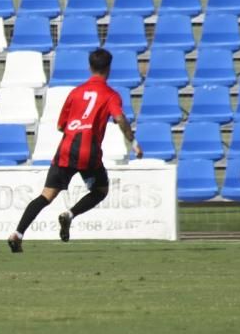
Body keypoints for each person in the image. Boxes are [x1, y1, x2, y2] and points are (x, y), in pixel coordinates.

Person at [7, 48, 142, 253]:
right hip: (89, 152)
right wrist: (132, 142)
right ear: (108, 69)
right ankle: (70, 214)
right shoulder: (110, 95)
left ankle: (17, 233)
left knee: (45, 196)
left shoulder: (76, 92)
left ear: (90, 67)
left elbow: (61, 126)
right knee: (100, 191)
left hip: (66, 149)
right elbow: (120, 118)